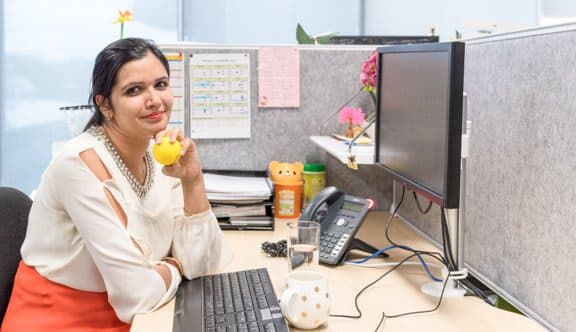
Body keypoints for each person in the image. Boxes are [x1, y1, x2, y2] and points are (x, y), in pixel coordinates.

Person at [1, 38, 230, 331]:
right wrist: (176, 265)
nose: (154, 100)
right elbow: (137, 295)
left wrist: (192, 180)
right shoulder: (78, 164)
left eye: (160, 84)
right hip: (63, 319)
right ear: (105, 105)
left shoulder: (158, 153)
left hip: (141, 317)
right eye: (134, 90)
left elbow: (202, 265)